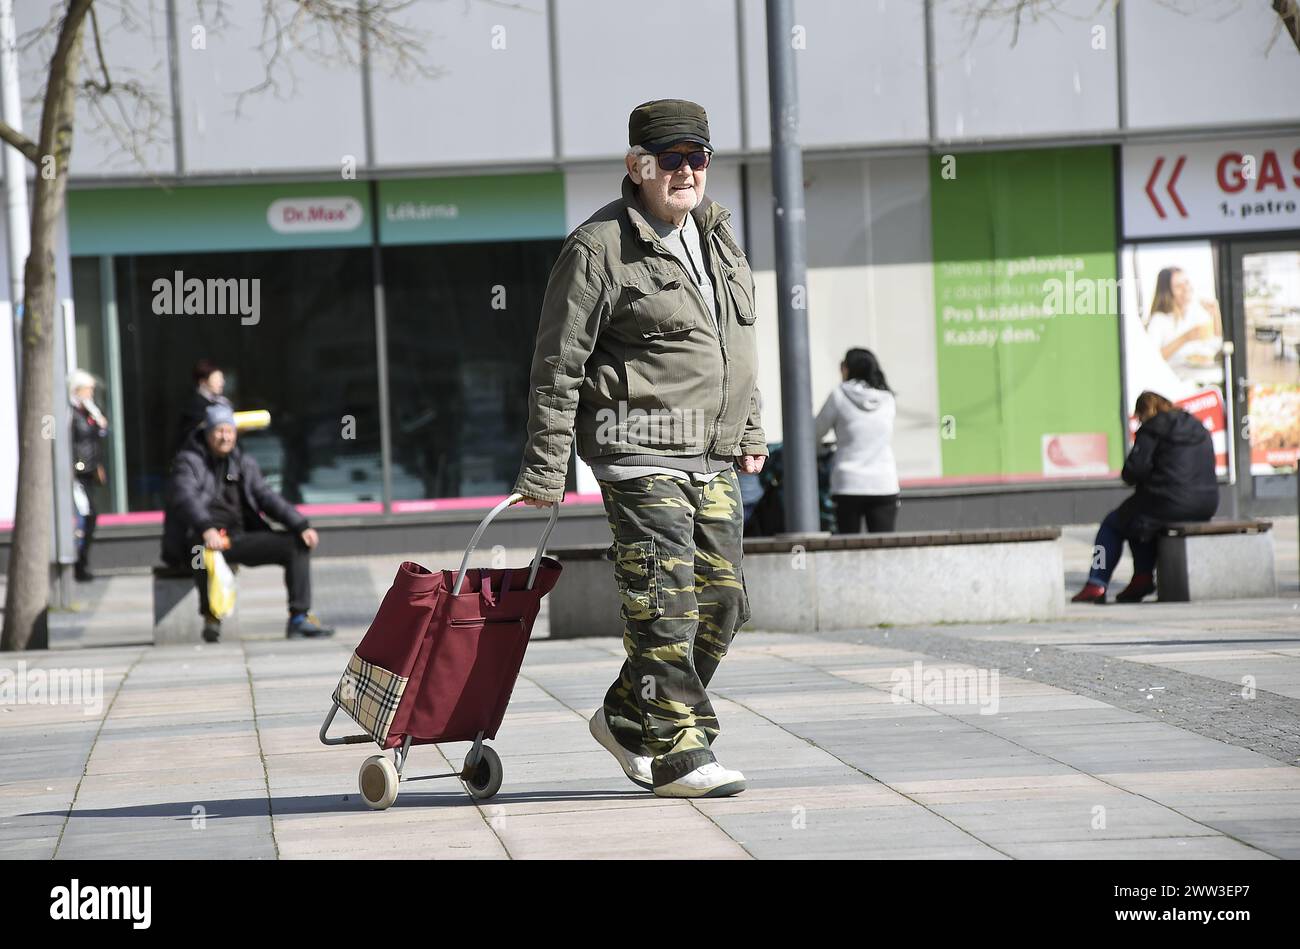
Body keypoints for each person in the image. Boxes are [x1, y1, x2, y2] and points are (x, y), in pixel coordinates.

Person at [514, 99, 766, 799]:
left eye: (698, 157)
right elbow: (558, 364)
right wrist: (545, 466)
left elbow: (736, 345)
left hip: (710, 453)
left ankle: (627, 719)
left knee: (722, 602)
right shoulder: (597, 248)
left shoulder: (717, 235)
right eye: (671, 158)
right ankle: (683, 754)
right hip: (638, 450)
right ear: (638, 166)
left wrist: (749, 432)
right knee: (664, 602)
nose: (687, 171)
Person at [162, 402, 335, 642]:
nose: (225, 437)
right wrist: (206, 528)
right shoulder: (188, 461)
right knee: (202, 551)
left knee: (296, 545)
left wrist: (300, 524)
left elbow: (266, 496)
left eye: (229, 431)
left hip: (238, 538)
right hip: (198, 537)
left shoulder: (243, 461)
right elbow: (185, 498)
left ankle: (299, 618)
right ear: (207, 433)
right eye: (219, 431)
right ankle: (211, 617)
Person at [1072, 391, 1218, 604]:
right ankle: (1140, 578)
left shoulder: (1152, 428)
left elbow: (1133, 472)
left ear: (1144, 412)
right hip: (1207, 503)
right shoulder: (1197, 426)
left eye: (1139, 416)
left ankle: (1096, 582)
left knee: (1112, 524)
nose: (1139, 421)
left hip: (1169, 501)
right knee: (1137, 519)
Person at [815, 347, 900, 533]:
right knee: (884, 550)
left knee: (846, 552)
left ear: (847, 368)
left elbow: (814, 434)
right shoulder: (888, 399)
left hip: (848, 483)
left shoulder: (838, 395)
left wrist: (822, 450)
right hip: (884, 483)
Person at [1144, 267, 1223, 384]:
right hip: (1178, 382)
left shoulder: (1196, 311)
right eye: (1178, 286)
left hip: (1206, 378)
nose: (1185, 288)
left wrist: (1216, 314)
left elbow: (1215, 345)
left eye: (1186, 282)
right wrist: (1185, 338)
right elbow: (1151, 359)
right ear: (1167, 292)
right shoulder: (1159, 320)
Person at [69, 369, 109, 582]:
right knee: (85, 516)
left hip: (89, 471)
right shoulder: (70, 413)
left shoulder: (89, 413)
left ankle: (82, 560)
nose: (91, 394)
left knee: (90, 516)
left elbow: (100, 435)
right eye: (88, 389)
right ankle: (78, 563)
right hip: (76, 474)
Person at [174, 359, 232, 454]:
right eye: (217, 379)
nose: (222, 383)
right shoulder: (194, 405)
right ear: (203, 381)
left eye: (222, 379)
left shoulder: (223, 403)